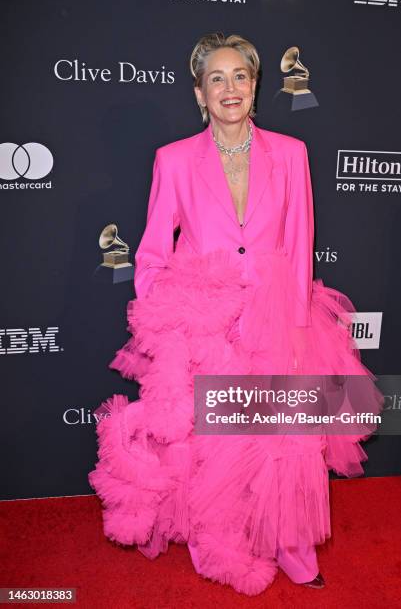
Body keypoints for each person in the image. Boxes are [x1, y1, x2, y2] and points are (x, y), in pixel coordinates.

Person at [88, 32, 383, 596]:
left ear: (255, 86)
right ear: (200, 93)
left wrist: (296, 324)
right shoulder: (173, 161)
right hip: (206, 325)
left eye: (240, 77)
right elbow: (150, 254)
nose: (230, 88)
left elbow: (300, 243)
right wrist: (171, 320)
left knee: (287, 440)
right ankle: (213, 543)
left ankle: (292, 548)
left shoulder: (291, 153)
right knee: (210, 445)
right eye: (216, 78)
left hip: (277, 315)